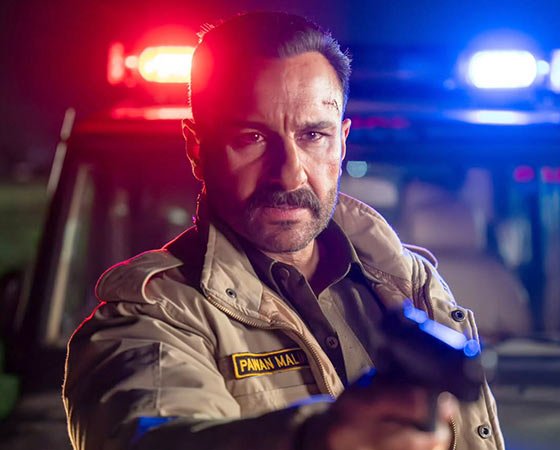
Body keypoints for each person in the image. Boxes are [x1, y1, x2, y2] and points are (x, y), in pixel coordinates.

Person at [63, 11, 504, 450]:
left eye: (313, 135)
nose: (289, 175)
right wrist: (315, 439)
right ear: (197, 148)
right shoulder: (152, 315)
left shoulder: (410, 283)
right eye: (251, 137)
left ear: (342, 142)